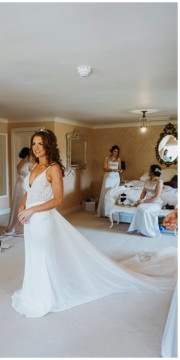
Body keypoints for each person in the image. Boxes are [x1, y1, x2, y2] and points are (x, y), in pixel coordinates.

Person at [12, 129, 175, 318]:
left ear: (48, 146)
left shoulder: (53, 168)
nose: (36, 148)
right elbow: (29, 191)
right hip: (29, 220)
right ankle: (33, 291)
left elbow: (57, 199)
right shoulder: (33, 167)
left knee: (42, 256)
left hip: (42, 220)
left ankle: (45, 296)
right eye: (34, 144)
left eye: (40, 144)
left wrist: (31, 210)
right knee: (33, 255)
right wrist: (22, 207)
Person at [1, 147, 32, 235]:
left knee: (17, 204)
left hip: (18, 185)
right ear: (28, 154)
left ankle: (13, 224)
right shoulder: (29, 164)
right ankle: (22, 226)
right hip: (25, 186)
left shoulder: (20, 163)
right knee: (24, 204)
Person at [128, 164, 164, 237]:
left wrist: (143, 201)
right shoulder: (147, 180)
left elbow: (156, 197)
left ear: (153, 172)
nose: (148, 171)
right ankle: (138, 228)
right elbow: (144, 192)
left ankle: (148, 231)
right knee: (139, 208)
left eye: (150, 170)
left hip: (155, 202)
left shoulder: (159, 182)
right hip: (147, 201)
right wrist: (140, 199)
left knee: (145, 211)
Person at [97, 145, 122, 217]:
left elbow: (119, 168)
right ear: (111, 151)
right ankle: (104, 211)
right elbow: (104, 168)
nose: (116, 153)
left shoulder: (119, 159)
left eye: (117, 151)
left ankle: (112, 212)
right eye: (115, 151)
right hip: (109, 176)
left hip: (116, 177)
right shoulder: (107, 158)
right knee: (106, 192)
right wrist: (112, 170)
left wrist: (120, 170)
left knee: (114, 193)